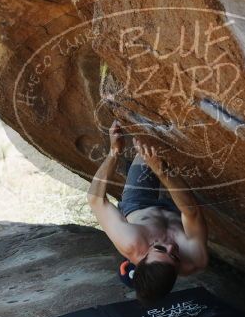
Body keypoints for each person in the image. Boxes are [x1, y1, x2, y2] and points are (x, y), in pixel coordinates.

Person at [87, 120, 209, 303]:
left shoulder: (130, 242)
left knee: (148, 145)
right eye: (175, 256)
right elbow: (191, 213)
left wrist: (114, 151)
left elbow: (95, 199)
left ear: (142, 257)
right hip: (179, 209)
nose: (170, 246)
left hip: (139, 203)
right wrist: (161, 169)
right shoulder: (194, 259)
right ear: (178, 269)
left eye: (160, 248)